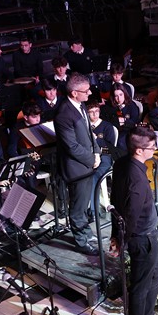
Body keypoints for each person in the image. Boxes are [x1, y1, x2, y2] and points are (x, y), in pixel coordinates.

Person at [110, 126, 158, 315]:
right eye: (151, 147)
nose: (154, 151)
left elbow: (116, 202)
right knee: (140, 287)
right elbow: (130, 215)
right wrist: (121, 240)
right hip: (142, 238)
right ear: (138, 150)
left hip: (144, 235)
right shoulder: (136, 180)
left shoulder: (121, 163)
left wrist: (117, 235)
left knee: (157, 275)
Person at [54, 73, 101, 256]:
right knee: (77, 207)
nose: (90, 93)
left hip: (87, 163)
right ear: (74, 93)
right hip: (76, 168)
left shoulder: (80, 105)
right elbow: (71, 146)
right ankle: (81, 242)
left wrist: (96, 152)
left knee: (84, 204)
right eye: (86, 91)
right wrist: (91, 159)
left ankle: (86, 233)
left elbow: (89, 132)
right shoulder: (63, 114)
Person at [87, 100, 117, 222]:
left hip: (104, 157)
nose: (94, 114)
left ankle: (93, 211)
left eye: (97, 111)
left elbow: (110, 146)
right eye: (91, 112)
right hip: (87, 157)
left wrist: (96, 140)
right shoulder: (84, 126)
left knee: (94, 176)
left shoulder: (107, 126)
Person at [101, 83, 139, 152]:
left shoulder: (132, 105)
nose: (119, 98)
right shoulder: (109, 105)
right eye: (116, 96)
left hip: (127, 130)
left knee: (121, 142)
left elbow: (135, 121)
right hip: (113, 129)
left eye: (121, 95)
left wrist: (124, 120)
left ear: (124, 94)